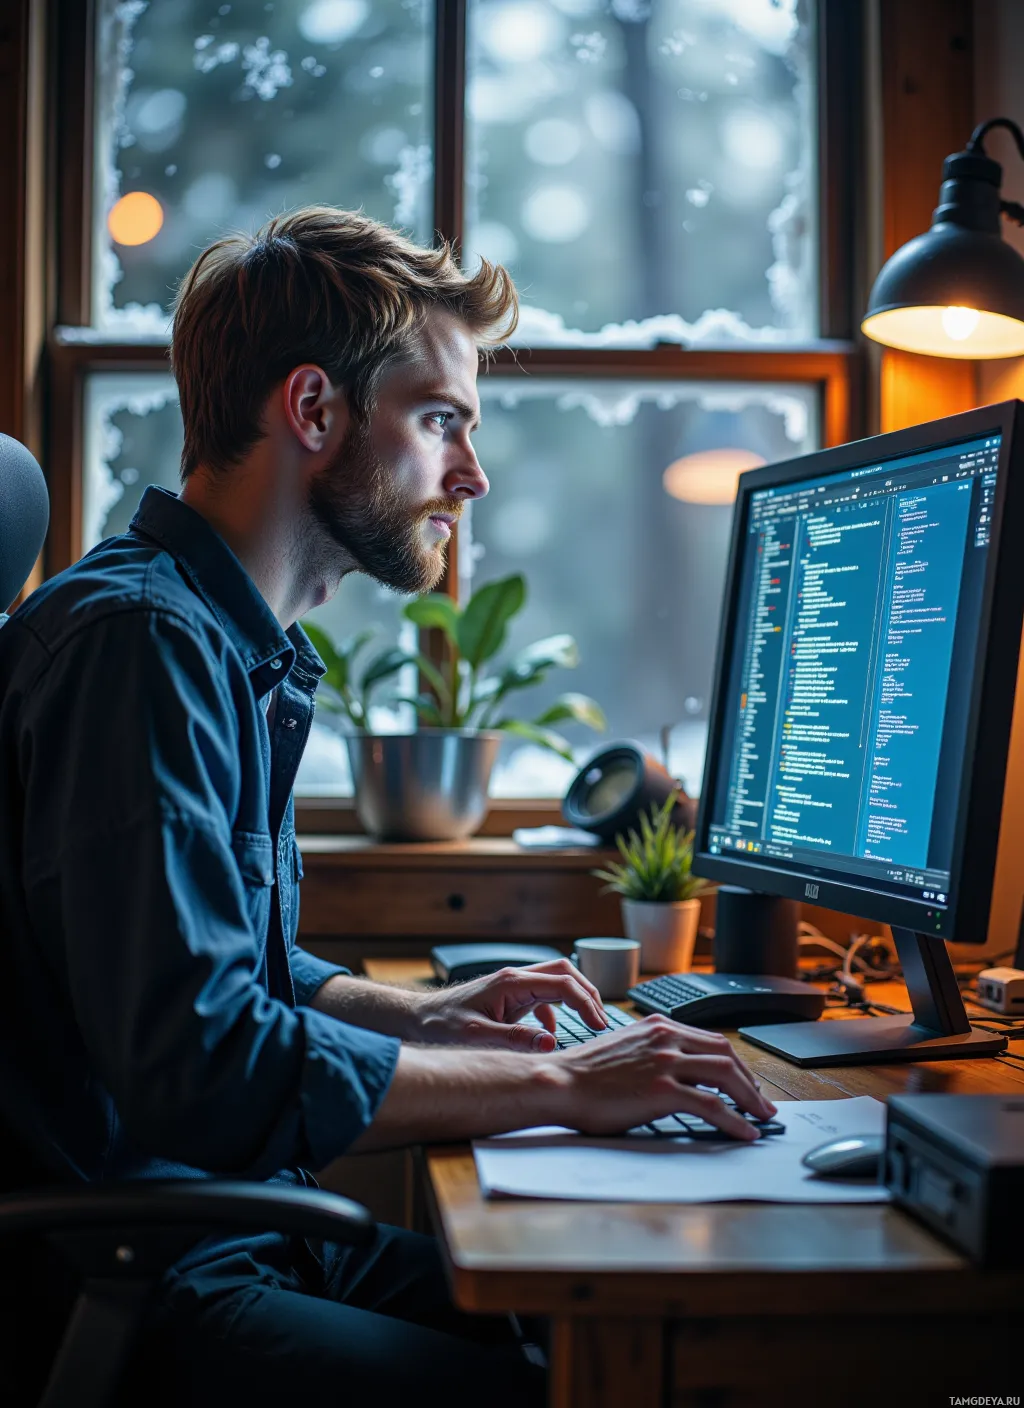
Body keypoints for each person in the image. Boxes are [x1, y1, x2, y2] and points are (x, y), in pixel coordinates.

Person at [0, 207, 776, 1405]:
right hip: (128, 1277)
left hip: (207, 1233)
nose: (468, 473)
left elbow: (217, 963)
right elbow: (200, 1059)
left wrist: (432, 1014)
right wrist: (565, 1083)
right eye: (441, 420)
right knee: (570, 1377)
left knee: (570, 1318)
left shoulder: (208, 642)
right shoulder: (140, 647)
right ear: (312, 411)